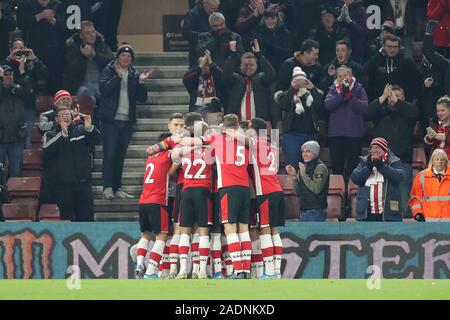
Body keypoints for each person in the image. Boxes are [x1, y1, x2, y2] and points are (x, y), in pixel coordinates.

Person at [99, 44, 151, 200]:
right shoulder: (108, 70)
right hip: (111, 121)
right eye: (123, 55)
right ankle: (107, 187)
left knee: (120, 155)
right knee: (110, 154)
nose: (126, 58)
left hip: (127, 121)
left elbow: (142, 98)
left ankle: (117, 187)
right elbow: (104, 89)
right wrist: (118, 77)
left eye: (129, 56)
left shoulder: (134, 74)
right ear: (117, 57)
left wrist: (141, 82)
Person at [367, 84, 419, 218]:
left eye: (397, 96)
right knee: (381, 199)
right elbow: (368, 113)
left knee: (403, 199)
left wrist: (397, 102)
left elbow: (415, 114)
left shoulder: (408, 114)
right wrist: (383, 96)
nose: (392, 99)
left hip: (402, 162)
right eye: (390, 96)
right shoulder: (381, 113)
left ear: (403, 99)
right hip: (381, 162)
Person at [42, 106, 101, 221]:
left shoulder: (81, 130)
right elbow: (46, 151)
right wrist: (62, 134)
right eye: (62, 115)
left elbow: (96, 140)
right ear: (56, 119)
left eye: (68, 115)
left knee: (87, 218)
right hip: (63, 186)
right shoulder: (50, 134)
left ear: (72, 117)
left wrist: (89, 128)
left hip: (83, 184)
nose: (65, 117)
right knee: (67, 219)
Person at [134, 132, 180, 279]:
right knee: (162, 236)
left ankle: (139, 264)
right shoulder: (167, 155)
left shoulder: (149, 159)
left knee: (145, 234)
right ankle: (150, 272)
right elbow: (173, 167)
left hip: (143, 201)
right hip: (158, 201)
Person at [175, 121, 215, 279]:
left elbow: (173, 165)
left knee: (185, 232)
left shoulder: (183, 150)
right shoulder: (210, 149)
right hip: (203, 191)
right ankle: (202, 271)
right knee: (203, 232)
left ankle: (183, 270)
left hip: (186, 191)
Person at [249, 117, 284, 278]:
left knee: (264, 230)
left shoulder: (256, 143)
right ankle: (276, 271)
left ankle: (269, 272)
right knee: (274, 231)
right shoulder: (272, 145)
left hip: (265, 192)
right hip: (277, 188)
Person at [2, 39, 49, 149]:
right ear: (11, 50)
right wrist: (8, 59)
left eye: (21, 48)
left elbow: (45, 75)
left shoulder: (31, 63)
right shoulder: (6, 64)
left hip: (28, 106)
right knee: (7, 143)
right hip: (8, 108)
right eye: (16, 49)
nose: (19, 51)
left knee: (27, 143)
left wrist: (35, 59)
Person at [274, 66, 323, 168]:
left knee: (310, 167)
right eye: (297, 80)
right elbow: (283, 104)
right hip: (292, 136)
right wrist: (292, 88)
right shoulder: (286, 95)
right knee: (292, 167)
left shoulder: (312, 94)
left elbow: (320, 106)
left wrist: (312, 88)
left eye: (302, 80)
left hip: (310, 135)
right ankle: (293, 184)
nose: (300, 83)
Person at [325, 65, 368, 179]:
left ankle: (351, 193)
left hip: (354, 135)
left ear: (351, 76)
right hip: (335, 135)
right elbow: (328, 105)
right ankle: (339, 193)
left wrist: (350, 96)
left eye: (345, 76)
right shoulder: (333, 90)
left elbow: (364, 107)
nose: (342, 78)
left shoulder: (359, 89)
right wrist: (342, 95)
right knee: (337, 168)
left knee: (353, 168)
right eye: (340, 76)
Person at [17, 0, 66, 94]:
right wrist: (39, 16)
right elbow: (21, 23)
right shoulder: (25, 4)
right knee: (33, 83)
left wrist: (53, 20)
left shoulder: (57, 4)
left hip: (54, 53)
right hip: (33, 51)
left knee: (54, 83)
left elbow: (64, 29)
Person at [222, 39, 276, 123]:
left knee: (262, 137)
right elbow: (225, 76)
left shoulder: (261, 79)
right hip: (237, 124)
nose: (248, 68)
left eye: (251, 65)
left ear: (256, 66)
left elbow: (272, 75)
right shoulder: (236, 79)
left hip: (259, 124)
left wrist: (259, 56)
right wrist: (232, 56)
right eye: (245, 65)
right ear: (240, 65)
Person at [350, 137, 404, 221]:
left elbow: (399, 178)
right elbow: (355, 178)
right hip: (366, 214)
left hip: (388, 214)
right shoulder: (364, 161)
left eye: (377, 147)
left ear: (384, 150)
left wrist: (382, 167)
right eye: (372, 148)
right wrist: (368, 167)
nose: (374, 150)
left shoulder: (394, 161)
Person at [65, 20, 114, 103]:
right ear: (81, 36)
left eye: (93, 32)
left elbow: (111, 62)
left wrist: (95, 56)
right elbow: (71, 70)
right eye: (88, 33)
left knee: (108, 97)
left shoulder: (102, 46)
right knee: (88, 97)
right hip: (82, 86)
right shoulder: (74, 48)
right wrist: (83, 56)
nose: (92, 35)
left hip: (100, 85)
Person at [363, 34, 420, 102]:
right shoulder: (376, 60)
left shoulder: (406, 61)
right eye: (389, 46)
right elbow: (364, 71)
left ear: (399, 47)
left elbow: (416, 80)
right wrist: (378, 55)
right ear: (383, 46)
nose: (392, 49)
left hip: (401, 102)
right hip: (379, 101)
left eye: (395, 47)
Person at [0, 65, 33, 177]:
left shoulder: (18, 89)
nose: (9, 77)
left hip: (16, 137)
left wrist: (23, 74)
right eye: (5, 74)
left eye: (10, 74)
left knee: (16, 170)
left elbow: (30, 95)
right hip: (1, 136)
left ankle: (14, 194)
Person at [285, 140, 329, 221]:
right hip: (303, 210)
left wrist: (303, 175)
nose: (304, 154)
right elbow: (298, 192)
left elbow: (316, 189)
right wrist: (294, 176)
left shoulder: (320, 167)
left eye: (308, 151)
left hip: (316, 212)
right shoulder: (303, 167)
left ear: (315, 153)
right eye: (303, 151)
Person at [409, 148, 450, 222]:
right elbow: (415, 198)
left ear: (446, 161)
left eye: (442, 160)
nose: (440, 162)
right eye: (437, 159)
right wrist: (418, 213)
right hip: (428, 222)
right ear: (432, 161)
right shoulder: (421, 176)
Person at [182, 0, 220, 67]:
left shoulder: (217, 14)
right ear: (205, 4)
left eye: (215, 9)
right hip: (196, 53)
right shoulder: (193, 13)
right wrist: (202, 36)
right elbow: (186, 32)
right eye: (211, 8)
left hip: (214, 53)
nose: (213, 12)